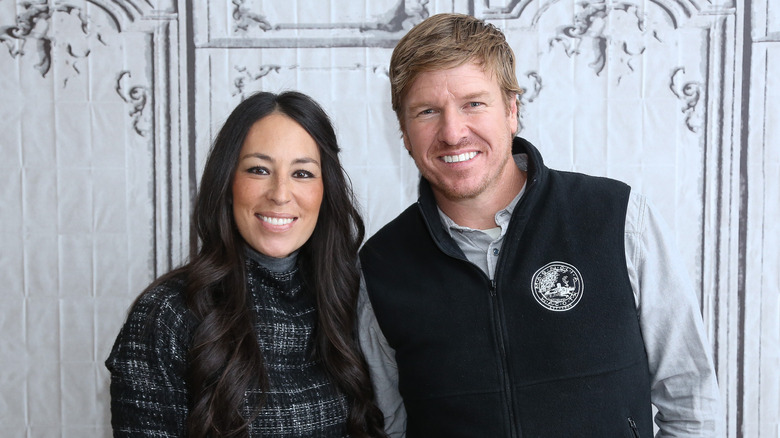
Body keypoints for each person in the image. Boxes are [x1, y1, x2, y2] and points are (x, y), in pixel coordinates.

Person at [357, 13, 721, 437]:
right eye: (427, 111)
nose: (453, 132)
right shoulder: (382, 267)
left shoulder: (616, 218)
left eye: (474, 103)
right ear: (403, 130)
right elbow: (387, 427)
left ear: (512, 110)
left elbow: (690, 401)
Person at [106, 91, 386, 437]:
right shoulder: (167, 314)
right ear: (227, 184)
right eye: (259, 170)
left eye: (302, 173)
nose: (280, 193)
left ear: (325, 191)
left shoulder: (353, 299)